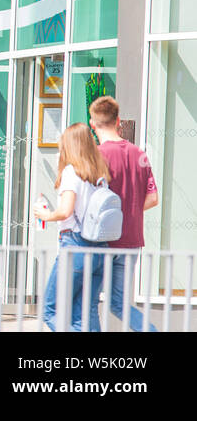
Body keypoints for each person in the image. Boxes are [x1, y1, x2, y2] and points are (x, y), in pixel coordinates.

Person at [91, 96, 160, 332]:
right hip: (131, 240)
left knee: (88, 302)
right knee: (118, 303)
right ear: (118, 121)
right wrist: (129, 209)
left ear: (93, 124)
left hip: (102, 240)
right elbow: (153, 198)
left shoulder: (97, 155)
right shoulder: (139, 154)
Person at [32, 123, 110, 331]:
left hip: (75, 246)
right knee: (85, 312)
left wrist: (46, 215)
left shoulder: (71, 173)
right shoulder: (100, 176)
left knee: (50, 310)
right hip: (100, 249)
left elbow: (65, 211)